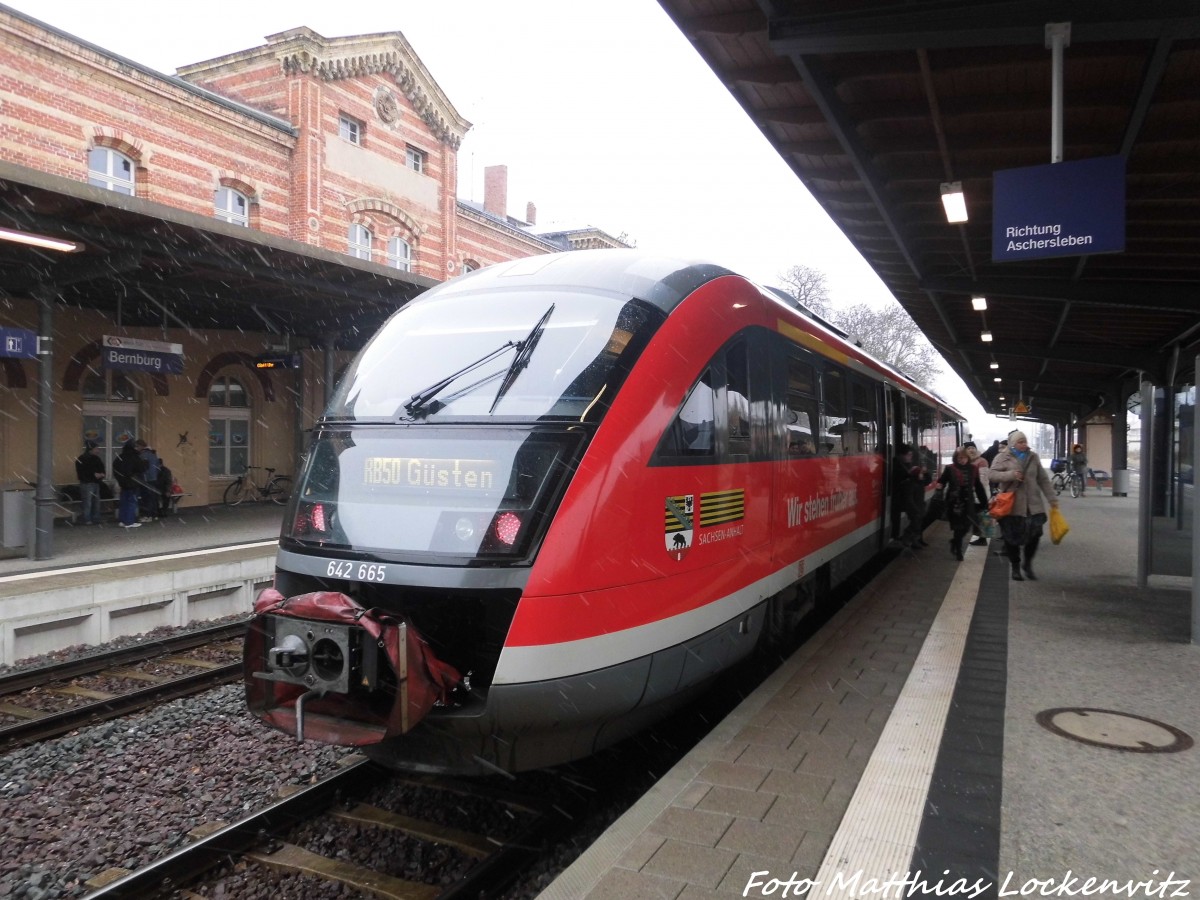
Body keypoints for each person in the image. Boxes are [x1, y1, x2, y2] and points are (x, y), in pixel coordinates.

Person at [989, 430, 1059, 581]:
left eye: (1025, 441)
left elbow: (1043, 479)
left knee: (1035, 535)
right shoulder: (1002, 457)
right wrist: (1010, 475)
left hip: (1033, 506)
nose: (1024, 444)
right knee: (1011, 539)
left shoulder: (1033, 457)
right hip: (1012, 506)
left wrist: (1052, 499)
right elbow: (992, 474)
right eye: (1020, 442)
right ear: (1013, 444)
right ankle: (1015, 566)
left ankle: (1027, 563)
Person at [937, 446, 989, 561]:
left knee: (966, 526)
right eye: (959, 458)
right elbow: (942, 481)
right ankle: (959, 551)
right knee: (958, 527)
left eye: (964, 458)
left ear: (968, 458)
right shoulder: (950, 468)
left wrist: (984, 502)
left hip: (968, 502)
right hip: (954, 502)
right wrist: (939, 488)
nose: (962, 460)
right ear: (955, 458)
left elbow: (978, 486)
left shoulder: (973, 469)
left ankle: (955, 542)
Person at [892, 443, 928, 548]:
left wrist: (923, 474)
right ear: (900, 455)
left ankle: (916, 539)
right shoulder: (897, 466)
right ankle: (909, 539)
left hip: (914, 499)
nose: (910, 457)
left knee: (918, 519)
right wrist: (917, 475)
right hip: (906, 500)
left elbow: (924, 480)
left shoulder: (909, 465)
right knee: (916, 520)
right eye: (908, 454)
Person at [111, 439, 147, 528]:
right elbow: (141, 468)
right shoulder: (134, 456)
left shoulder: (121, 457)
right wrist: (146, 463)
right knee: (131, 502)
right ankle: (129, 521)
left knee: (124, 502)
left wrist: (120, 479)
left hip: (123, 483)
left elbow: (115, 468)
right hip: (132, 483)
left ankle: (123, 521)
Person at [964, 441, 991, 546]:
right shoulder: (966, 461)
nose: (971, 450)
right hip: (972, 494)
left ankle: (982, 538)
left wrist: (981, 494)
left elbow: (984, 479)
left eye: (972, 448)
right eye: (968, 448)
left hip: (980, 493)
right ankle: (981, 537)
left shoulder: (982, 461)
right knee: (976, 516)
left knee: (981, 516)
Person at [73, 440, 106, 525]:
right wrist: (94, 475)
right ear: (91, 449)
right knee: (88, 502)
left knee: (95, 502)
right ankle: (87, 518)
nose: (98, 450)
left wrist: (101, 474)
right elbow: (82, 472)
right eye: (96, 449)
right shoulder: (82, 459)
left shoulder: (96, 458)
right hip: (87, 483)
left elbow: (101, 468)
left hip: (95, 483)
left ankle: (94, 518)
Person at [134, 439, 161, 522]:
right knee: (153, 498)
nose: (136, 448)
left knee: (146, 498)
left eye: (137, 446)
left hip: (146, 479)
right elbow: (158, 467)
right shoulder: (153, 455)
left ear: (141, 446)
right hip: (154, 478)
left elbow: (141, 468)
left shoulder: (142, 456)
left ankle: (147, 515)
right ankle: (154, 514)